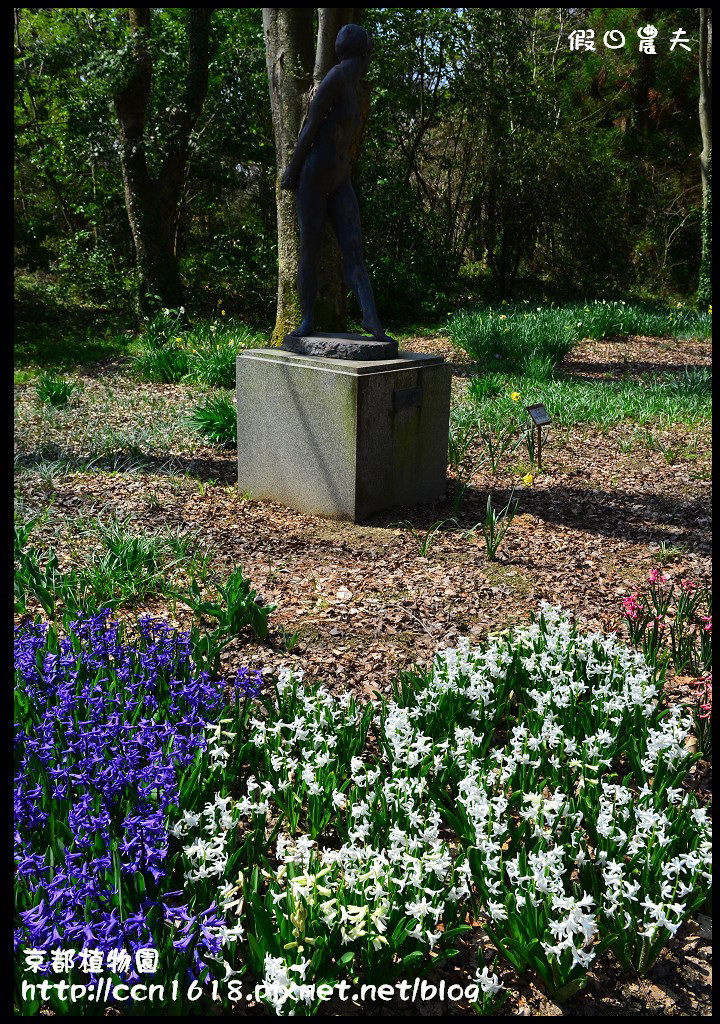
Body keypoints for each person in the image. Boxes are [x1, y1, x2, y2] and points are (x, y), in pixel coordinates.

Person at [281, 24, 393, 343]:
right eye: (370, 51)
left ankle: (372, 321)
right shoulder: (336, 77)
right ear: (362, 52)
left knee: (354, 249)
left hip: (339, 177)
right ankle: (306, 321)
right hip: (314, 177)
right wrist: (292, 170)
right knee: (310, 251)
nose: (371, 58)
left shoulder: (358, 87)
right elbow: (310, 125)